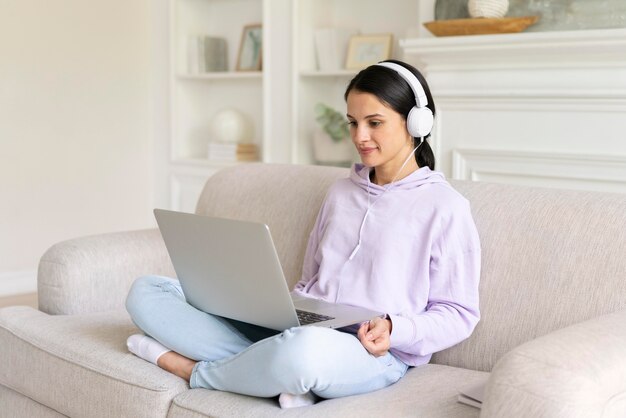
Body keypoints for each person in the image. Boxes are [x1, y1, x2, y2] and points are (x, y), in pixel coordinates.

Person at [125, 59, 481, 409]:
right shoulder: (341, 193)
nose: (360, 136)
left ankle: (195, 370)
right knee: (147, 292)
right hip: (299, 329)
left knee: (303, 353)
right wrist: (275, 310)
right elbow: (310, 280)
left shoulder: (445, 207)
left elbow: (459, 313)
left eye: (374, 123)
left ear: (416, 122)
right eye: (353, 122)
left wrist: (395, 328)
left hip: (370, 351)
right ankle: (271, 370)